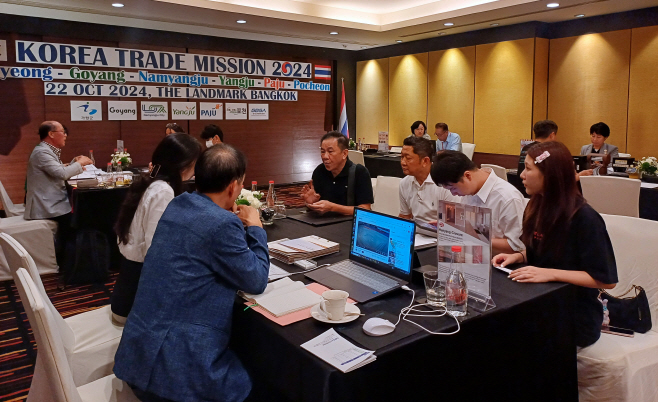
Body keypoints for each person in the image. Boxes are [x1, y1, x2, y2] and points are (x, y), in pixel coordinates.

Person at [113, 144, 269, 402]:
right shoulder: (222, 223)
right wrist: (255, 227)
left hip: (137, 355)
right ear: (233, 186)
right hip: (174, 372)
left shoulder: (178, 204)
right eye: (240, 184)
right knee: (261, 382)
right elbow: (256, 279)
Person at [493, 141, 617, 348]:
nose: (522, 175)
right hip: (539, 301)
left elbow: (606, 280)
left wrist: (551, 273)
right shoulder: (536, 205)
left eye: (529, 169)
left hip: (574, 314)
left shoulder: (585, 218)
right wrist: (519, 257)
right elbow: (544, 250)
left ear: (549, 175)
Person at [110, 133, 202, 323]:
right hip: (135, 301)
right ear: (183, 164)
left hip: (128, 287)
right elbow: (157, 251)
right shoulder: (163, 191)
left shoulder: (152, 182)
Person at [24, 121, 93, 266]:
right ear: (51, 134)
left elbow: (56, 168)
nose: (66, 135)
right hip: (46, 204)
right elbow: (61, 174)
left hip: (50, 199)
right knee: (77, 221)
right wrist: (80, 163)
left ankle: (72, 259)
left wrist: (73, 163)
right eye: (63, 131)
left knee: (77, 216)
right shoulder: (42, 152)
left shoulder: (45, 150)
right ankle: (70, 263)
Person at [430, 150, 525, 255]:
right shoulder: (469, 191)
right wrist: (452, 226)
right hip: (472, 257)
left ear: (468, 176)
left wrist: (471, 237)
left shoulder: (507, 198)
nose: (453, 194)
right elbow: (471, 230)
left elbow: (517, 246)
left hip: (500, 263)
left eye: (453, 188)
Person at [301, 131, 374, 215]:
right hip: (322, 222)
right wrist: (311, 203)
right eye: (322, 151)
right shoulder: (319, 171)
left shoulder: (359, 172)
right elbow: (316, 205)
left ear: (344, 154)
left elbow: (365, 210)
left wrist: (333, 208)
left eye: (330, 151)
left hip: (347, 223)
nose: (325, 156)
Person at [399, 136, 461, 223]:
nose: (403, 162)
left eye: (408, 158)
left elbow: (454, 222)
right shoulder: (404, 183)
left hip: (441, 234)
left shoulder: (445, 183)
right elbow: (405, 216)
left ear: (425, 161)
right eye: (401, 157)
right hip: (417, 234)